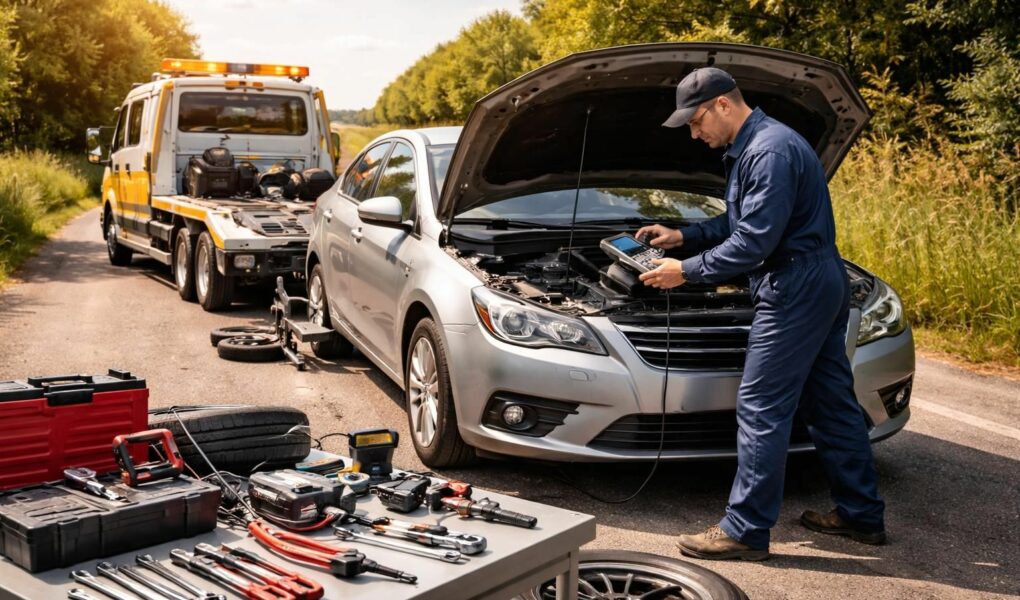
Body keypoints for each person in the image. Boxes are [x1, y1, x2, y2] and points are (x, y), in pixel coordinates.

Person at [636, 67, 886, 561]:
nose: (694, 133)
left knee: (761, 407)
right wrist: (686, 236)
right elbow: (739, 219)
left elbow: (753, 242)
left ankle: (746, 528)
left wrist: (684, 271)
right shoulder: (762, 145)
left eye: (696, 121)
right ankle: (861, 515)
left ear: (723, 105)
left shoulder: (768, 151)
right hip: (818, 278)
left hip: (795, 286)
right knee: (831, 401)